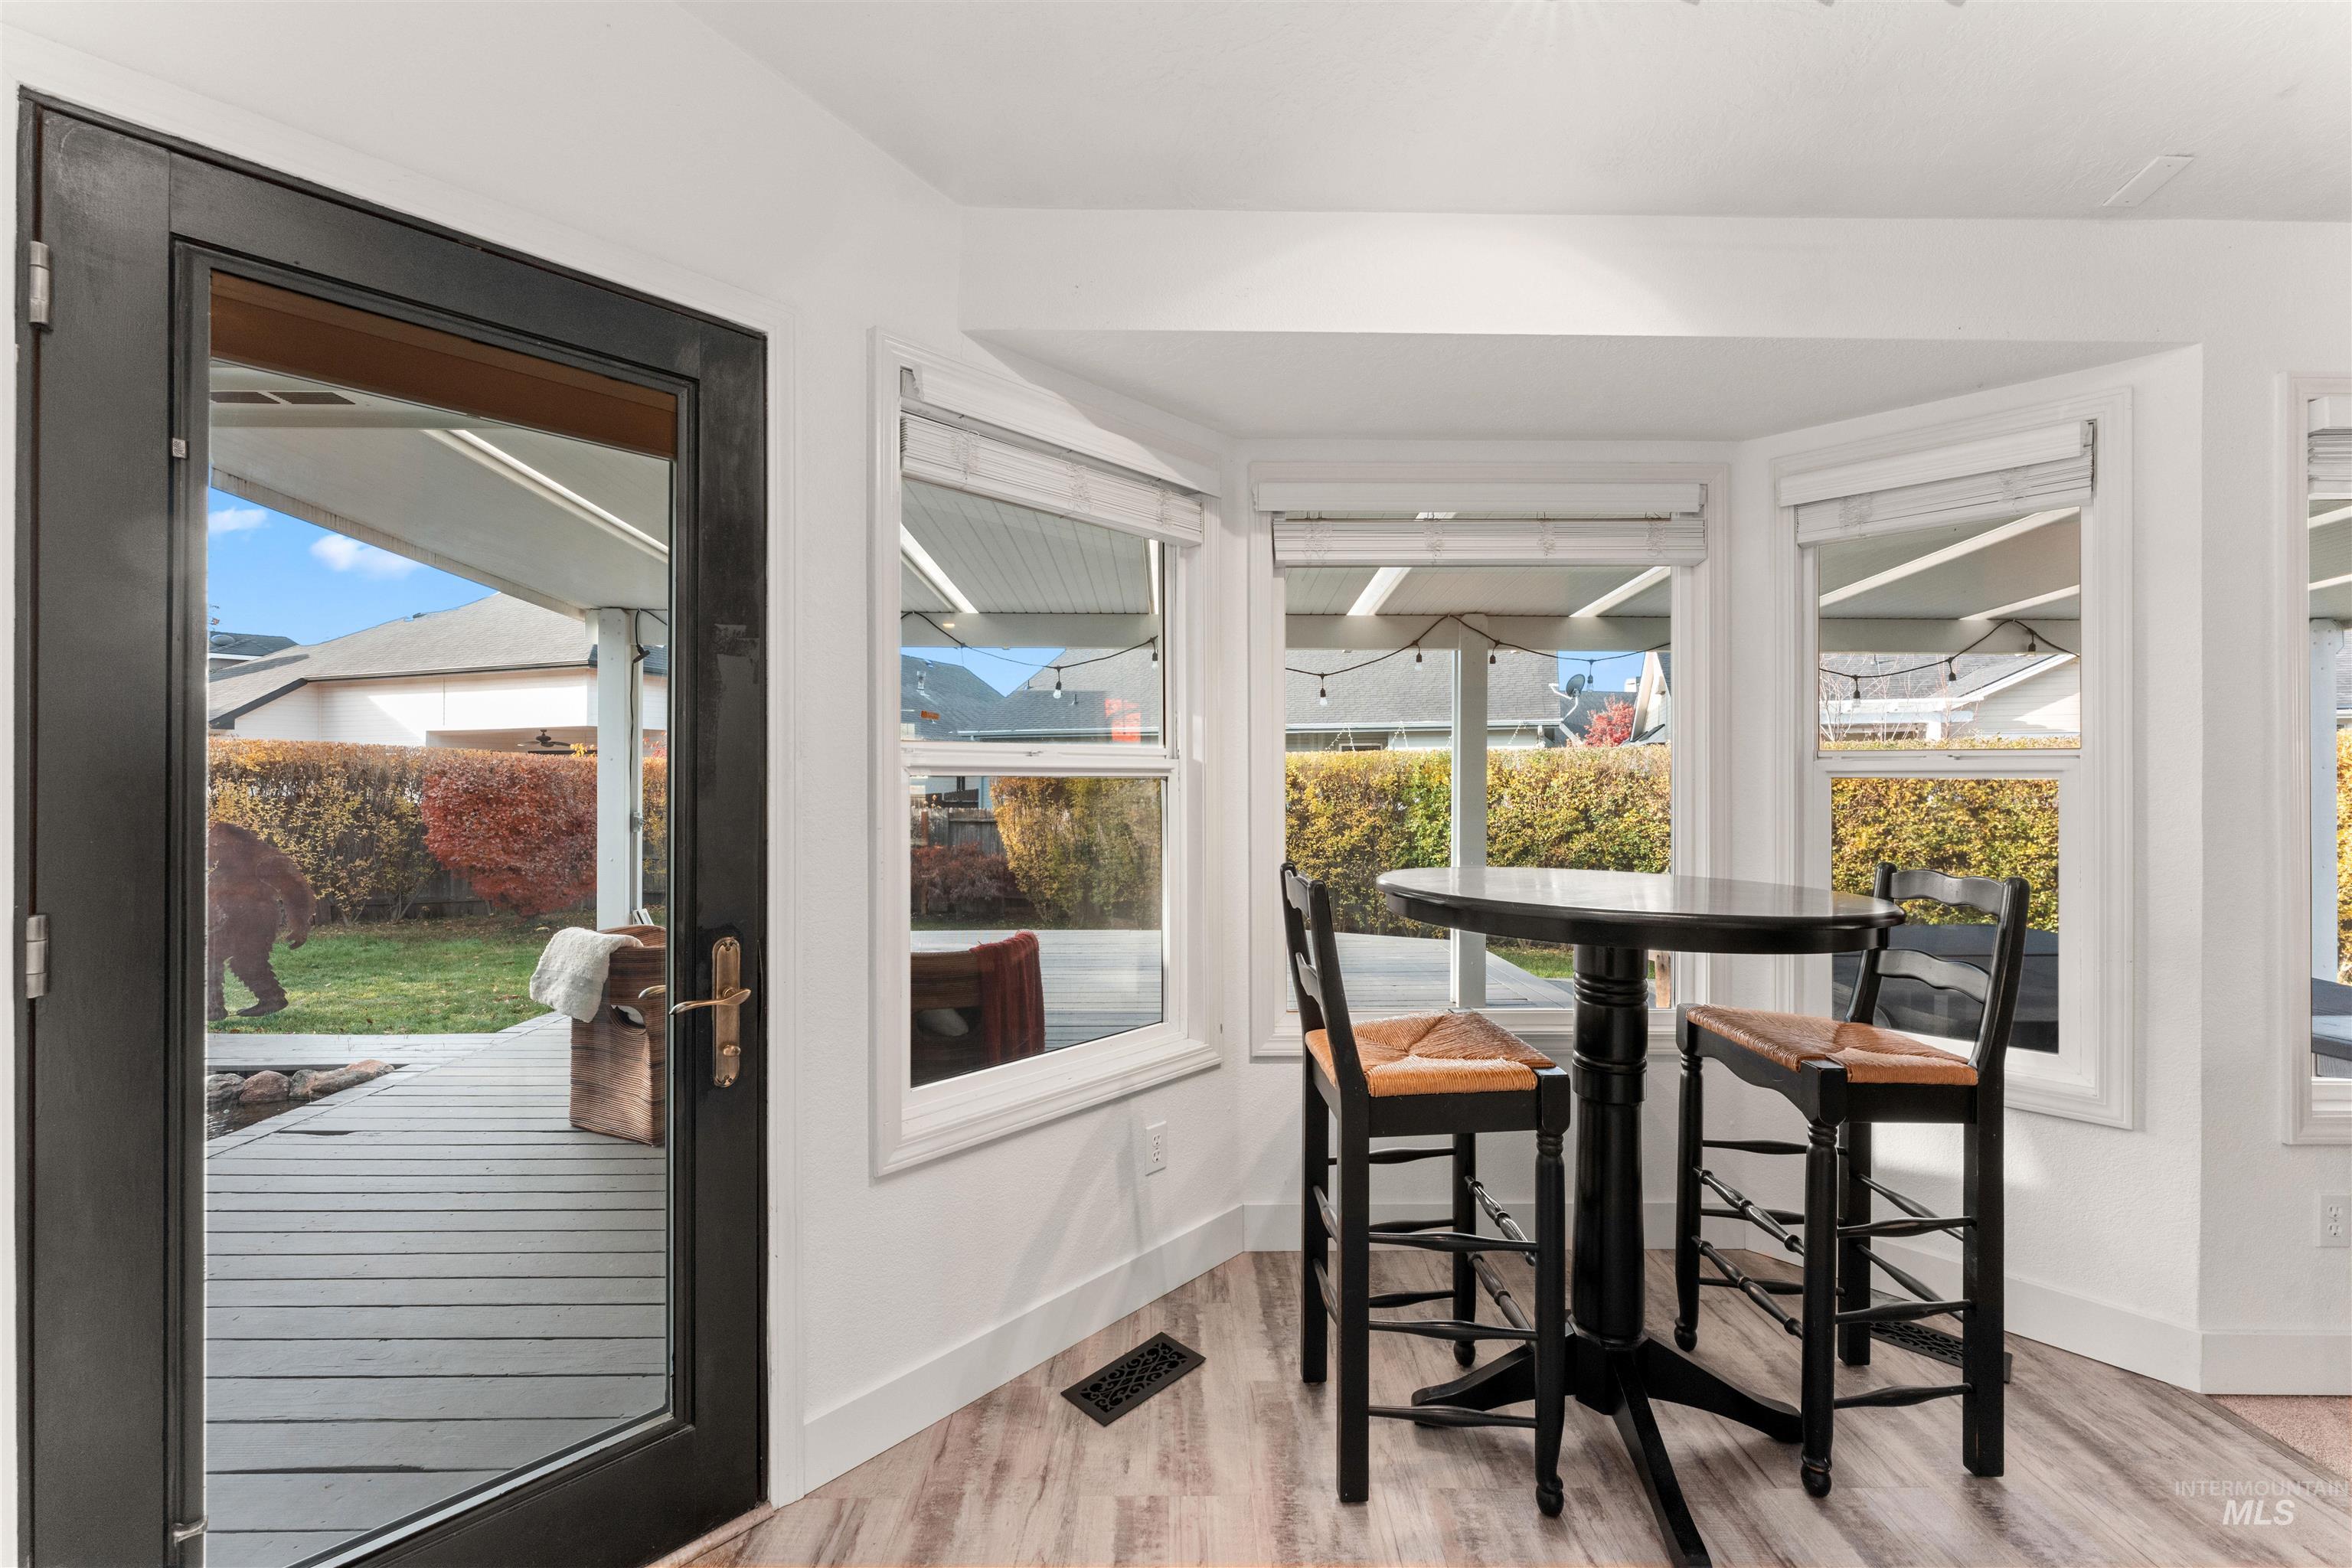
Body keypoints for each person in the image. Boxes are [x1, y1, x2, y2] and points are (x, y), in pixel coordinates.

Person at [207, 821, 315, 1021]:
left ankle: (270, 999)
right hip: (231, 918)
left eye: (217, 846)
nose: (213, 850)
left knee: (243, 960)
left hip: (254, 919)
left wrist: (300, 924)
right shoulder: (228, 860)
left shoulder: (261, 857)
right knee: (215, 957)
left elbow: (295, 889)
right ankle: (215, 1008)